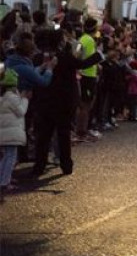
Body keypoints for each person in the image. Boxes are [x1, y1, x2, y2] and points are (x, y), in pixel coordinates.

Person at [31, 24, 101, 177]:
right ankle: (66, 164)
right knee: (63, 134)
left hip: (44, 101)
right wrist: (98, 55)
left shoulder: (38, 58)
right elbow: (82, 64)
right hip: (64, 101)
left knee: (43, 135)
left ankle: (39, 166)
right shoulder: (65, 56)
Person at [0, 69, 28, 199]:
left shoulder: (3, 97)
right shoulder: (12, 98)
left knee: (6, 156)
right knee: (11, 157)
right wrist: (25, 99)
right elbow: (21, 111)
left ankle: (4, 178)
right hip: (12, 133)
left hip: (4, 132)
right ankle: (5, 182)